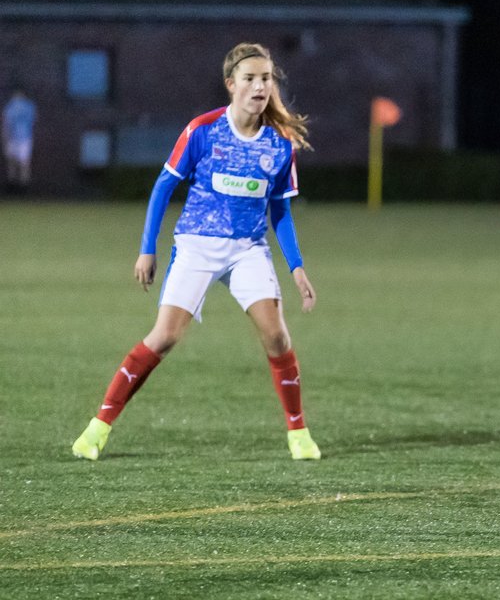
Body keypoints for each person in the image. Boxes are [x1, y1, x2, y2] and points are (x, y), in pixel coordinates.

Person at [71, 43, 321, 462]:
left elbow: (280, 209)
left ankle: (299, 434)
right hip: (197, 245)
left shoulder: (279, 144)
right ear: (231, 85)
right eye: (250, 78)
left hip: (247, 250)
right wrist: (146, 249)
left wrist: (296, 267)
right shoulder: (203, 130)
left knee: (277, 336)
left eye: (266, 78)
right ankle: (97, 429)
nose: (260, 86)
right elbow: (163, 187)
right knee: (165, 336)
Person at [3, 88, 37, 192]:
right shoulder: (29, 106)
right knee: (22, 163)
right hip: (23, 137)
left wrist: (5, 139)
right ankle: (21, 186)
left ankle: (17, 186)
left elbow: (6, 124)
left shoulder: (11, 106)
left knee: (15, 163)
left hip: (18, 138)